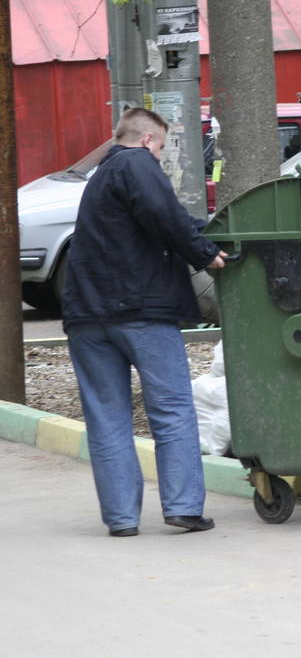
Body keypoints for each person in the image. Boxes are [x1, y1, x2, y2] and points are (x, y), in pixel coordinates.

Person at [62, 108, 227, 537]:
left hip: (86, 317)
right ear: (149, 139)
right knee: (171, 409)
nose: (159, 157)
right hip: (141, 312)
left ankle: (121, 518)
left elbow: (153, 221)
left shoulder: (100, 178)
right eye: (161, 148)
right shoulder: (136, 163)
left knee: (107, 417)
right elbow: (163, 212)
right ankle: (184, 506)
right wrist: (205, 252)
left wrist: (198, 232)